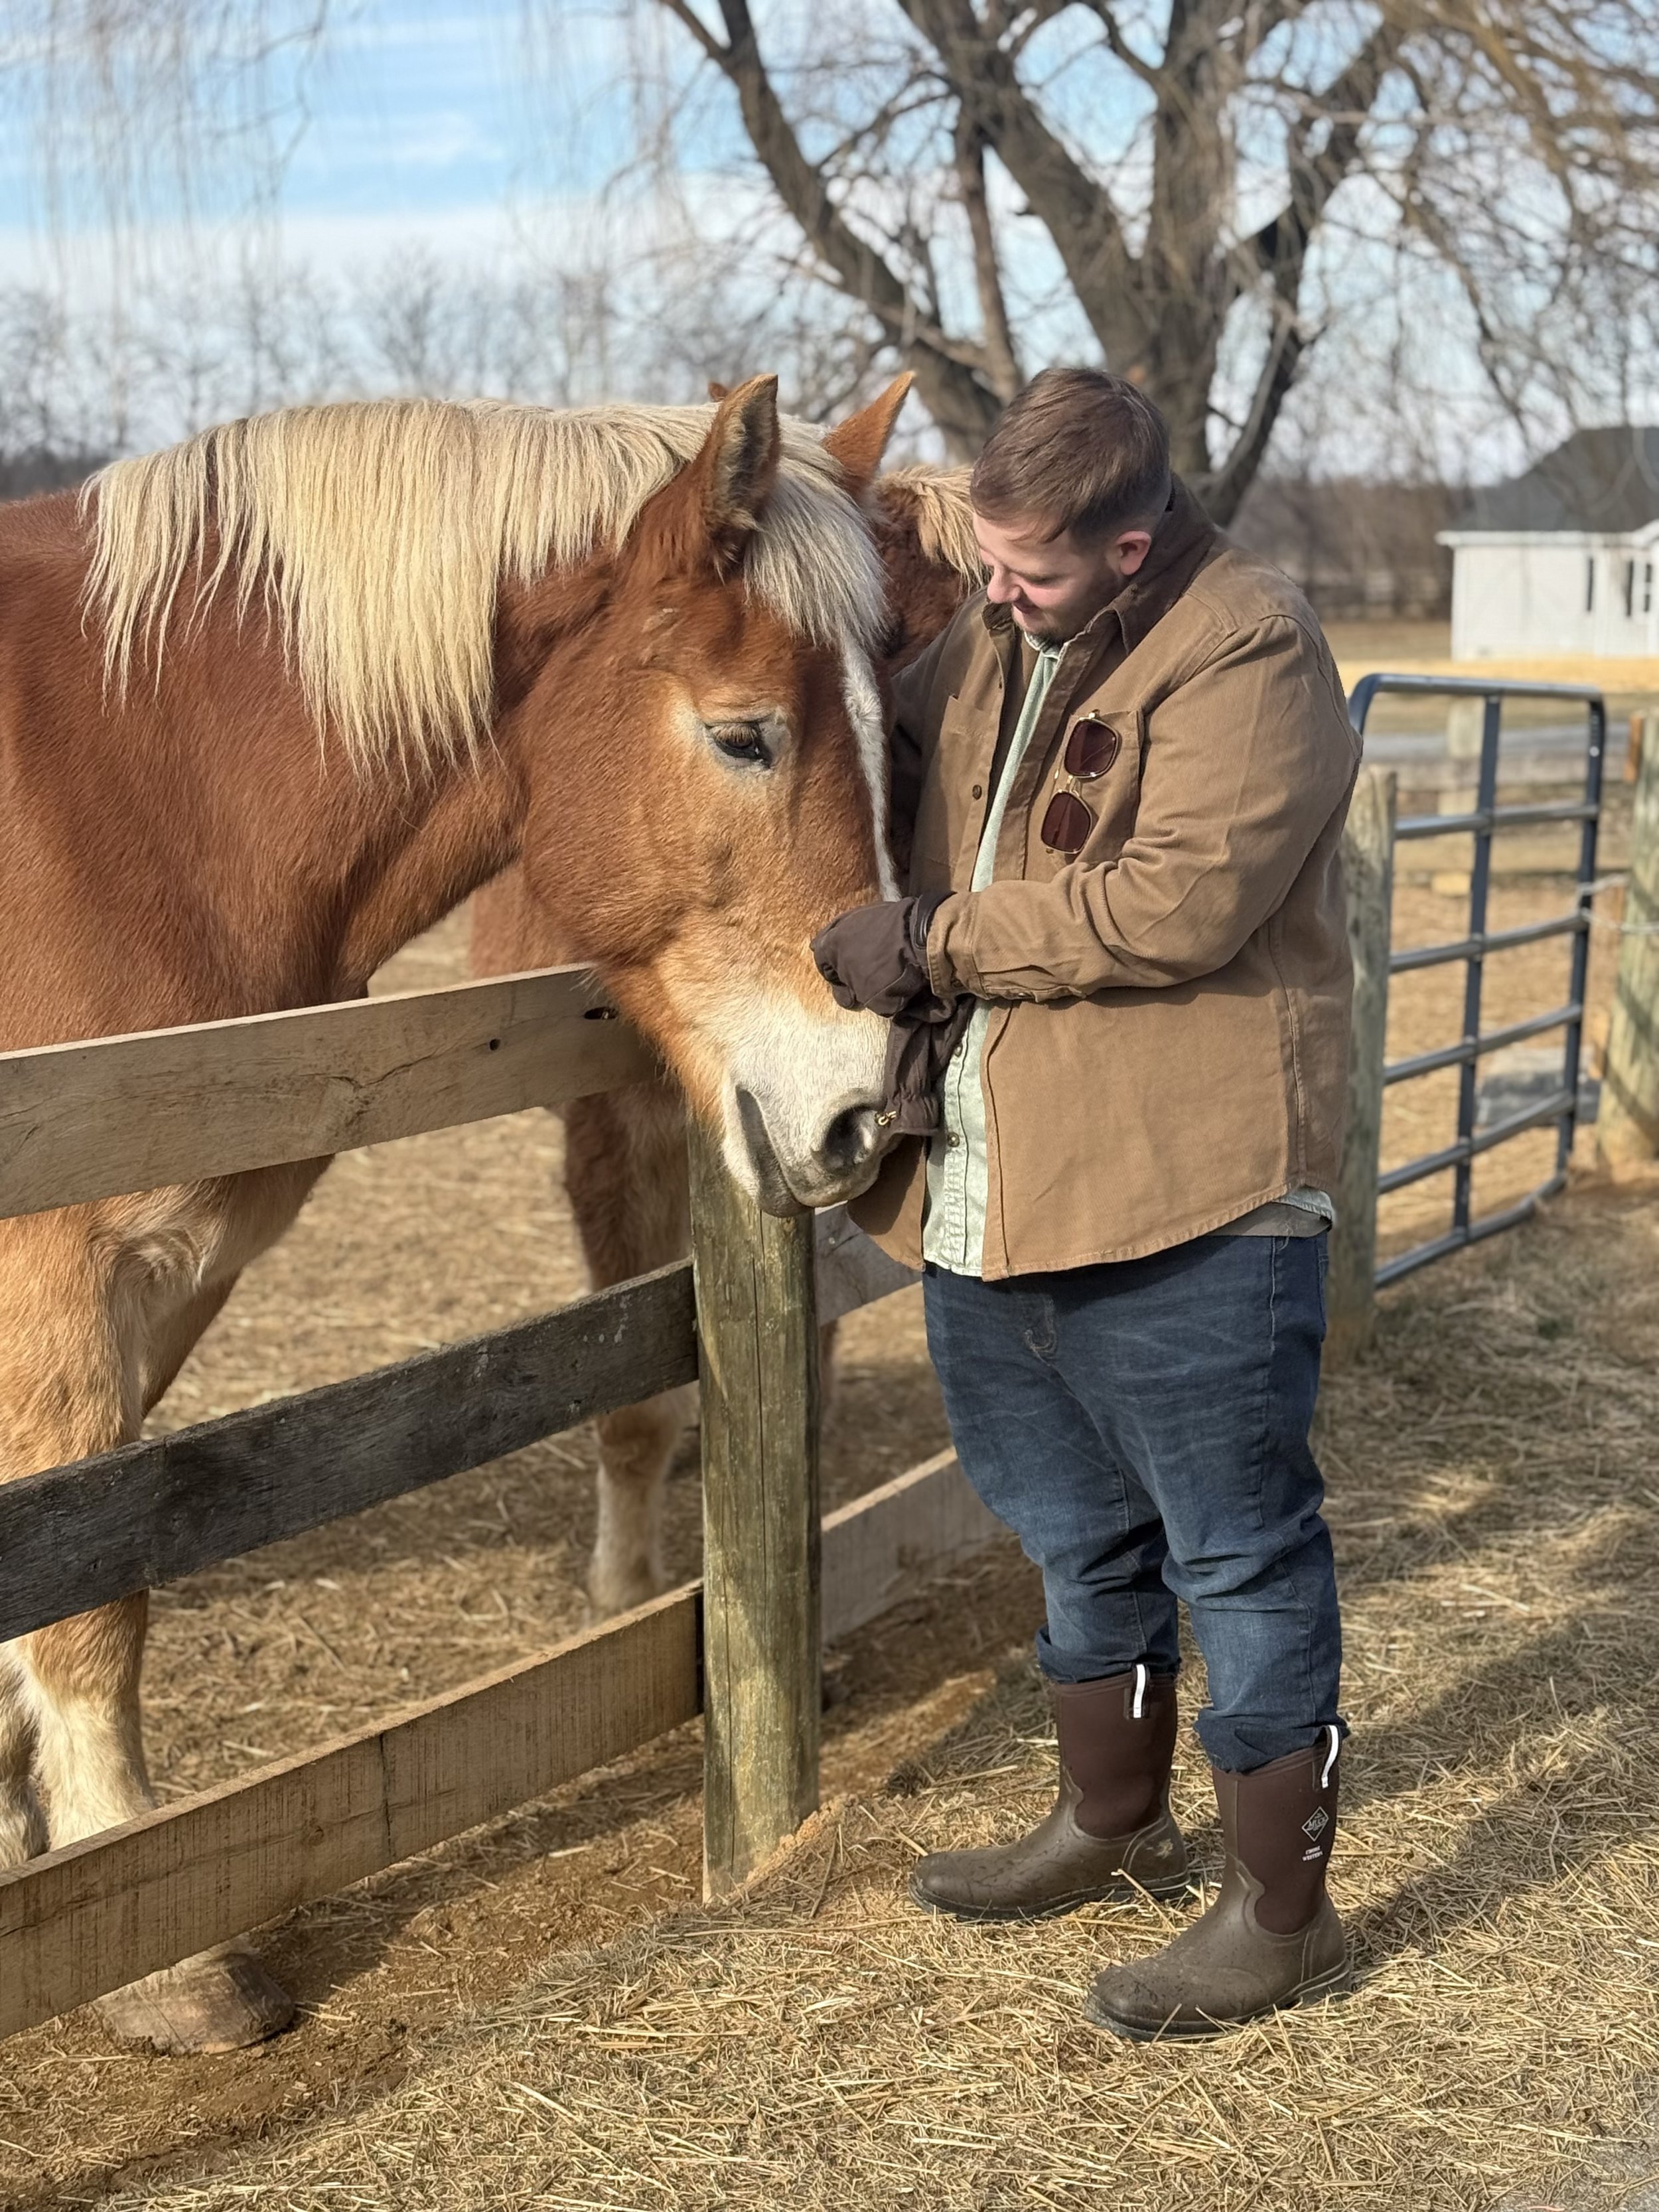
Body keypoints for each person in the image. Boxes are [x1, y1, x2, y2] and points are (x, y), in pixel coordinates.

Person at [812, 366, 1360, 2041]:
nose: (994, 595)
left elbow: (1175, 904)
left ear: (1131, 543)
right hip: (997, 1185)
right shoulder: (988, 629)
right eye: (984, 562)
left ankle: (1281, 1908)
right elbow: (858, 728)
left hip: (1186, 1195)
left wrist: (930, 944)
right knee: (1067, 1526)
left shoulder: (1247, 644)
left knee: (1240, 1551)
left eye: (1030, 572)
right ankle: (1109, 1820)